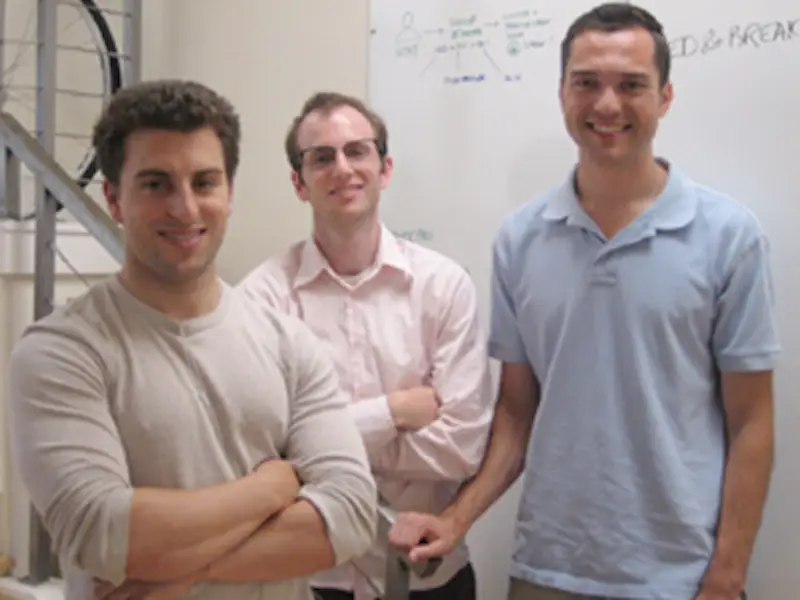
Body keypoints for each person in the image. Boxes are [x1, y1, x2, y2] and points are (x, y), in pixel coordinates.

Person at [388, 3, 779, 600]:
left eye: (632, 85)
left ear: (665, 97)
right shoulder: (521, 239)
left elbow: (751, 421)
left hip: (681, 577)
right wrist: (456, 518)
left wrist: (727, 573)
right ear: (562, 93)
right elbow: (516, 414)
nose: (607, 104)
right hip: (548, 570)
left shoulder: (728, 236)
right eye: (587, 82)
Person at [6, 79, 378, 600]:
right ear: (113, 199)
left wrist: (177, 573)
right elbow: (101, 532)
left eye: (204, 183)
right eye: (156, 185)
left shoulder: (289, 343)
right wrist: (268, 488)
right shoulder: (61, 352)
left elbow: (352, 516)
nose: (184, 209)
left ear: (229, 193)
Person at [238, 91, 494, 600]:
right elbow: (259, 456)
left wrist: (317, 450)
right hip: (311, 579)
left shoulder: (443, 287)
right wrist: (392, 412)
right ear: (299, 183)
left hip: (430, 576)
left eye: (357, 151)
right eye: (321, 157)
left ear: (384, 168)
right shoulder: (260, 300)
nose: (342, 168)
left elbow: (462, 448)